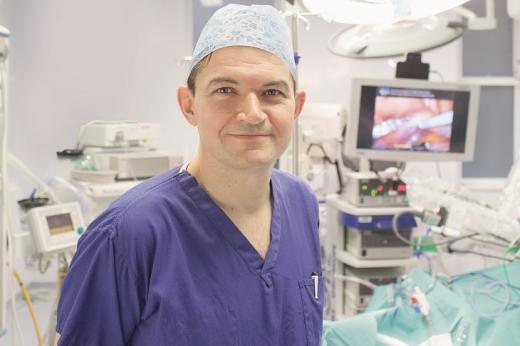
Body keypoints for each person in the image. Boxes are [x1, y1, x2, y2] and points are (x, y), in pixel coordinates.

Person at [56, 4, 323, 345]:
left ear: (296, 107)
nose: (253, 113)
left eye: (272, 93)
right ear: (189, 105)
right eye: (226, 90)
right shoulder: (127, 235)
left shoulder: (302, 204)